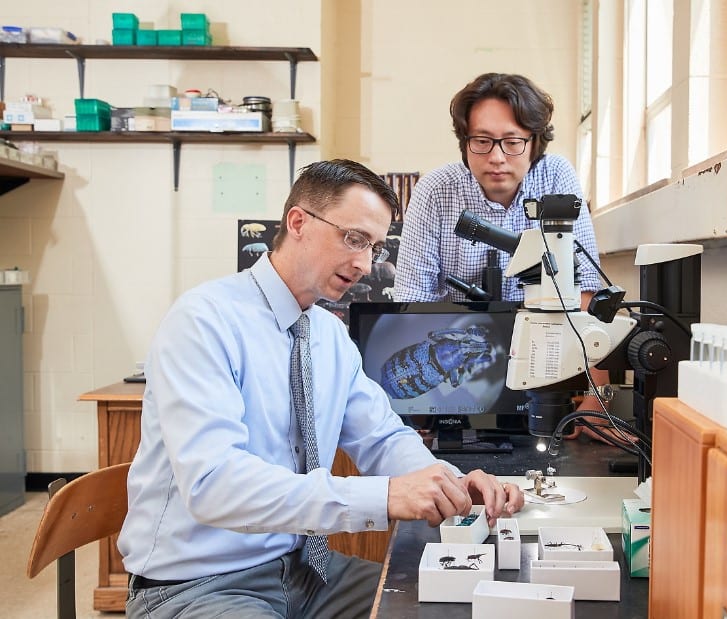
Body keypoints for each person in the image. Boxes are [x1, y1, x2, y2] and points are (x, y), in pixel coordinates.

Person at [118, 159, 524, 619]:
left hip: (306, 574)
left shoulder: (329, 337)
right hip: (199, 585)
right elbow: (214, 485)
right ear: (298, 223)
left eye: (373, 246)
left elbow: (382, 438)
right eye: (353, 239)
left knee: (448, 605)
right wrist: (386, 496)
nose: (364, 264)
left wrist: (450, 483)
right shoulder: (204, 321)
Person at [393, 72, 619, 437]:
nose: (497, 157)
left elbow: (588, 297)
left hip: (546, 373)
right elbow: (412, 303)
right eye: (482, 141)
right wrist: (419, 409)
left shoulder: (555, 177)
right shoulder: (436, 190)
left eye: (512, 142)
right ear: (464, 142)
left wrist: (597, 402)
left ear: (534, 143)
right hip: (458, 374)